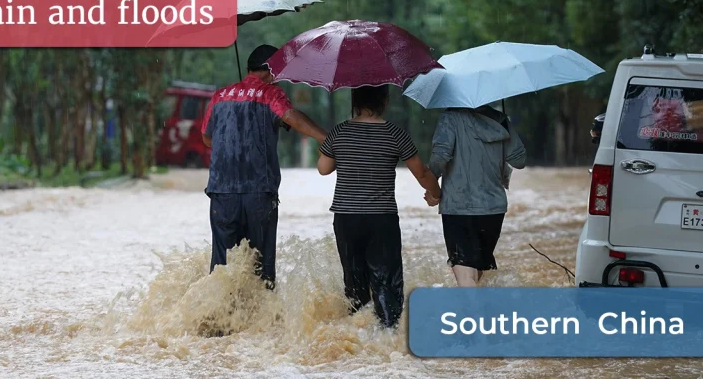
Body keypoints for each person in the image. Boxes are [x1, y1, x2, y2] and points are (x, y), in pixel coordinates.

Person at [201, 44, 327, 290]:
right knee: (261, 268)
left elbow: (207, 138)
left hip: (221, 193)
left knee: (222, 269)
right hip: (259, 192)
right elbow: (292, 118)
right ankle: (261, 324)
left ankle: (217, 321)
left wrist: (234, 138)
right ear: (272, 70)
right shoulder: (271, 94)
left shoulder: (220, 96)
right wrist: (326, 137)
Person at [317, 85, 441, 328]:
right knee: (386, 281)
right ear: (384, 101)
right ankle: (387, 332)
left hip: (346, 218)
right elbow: (421, 171)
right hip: (381, 218)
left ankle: (358, 333)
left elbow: (323, 169)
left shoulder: (339, 132)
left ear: (354, 100)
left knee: (354, 279)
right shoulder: (395, 133)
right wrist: (435, 193)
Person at [428, 104, 526, 287]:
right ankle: (484, 313)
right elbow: (519, 160)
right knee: (479, 270)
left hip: (458, 207)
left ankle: (472, 315)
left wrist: (430, 183)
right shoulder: (500, 119)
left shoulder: (450, 118)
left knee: (465, 272)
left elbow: (440, 156)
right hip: (493, 209)